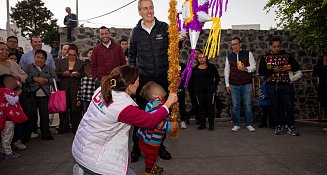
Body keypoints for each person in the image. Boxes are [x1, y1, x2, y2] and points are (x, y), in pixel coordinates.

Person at [71, 65, 178, 175]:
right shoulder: (123, 107)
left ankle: (84, 171)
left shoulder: (102, 89)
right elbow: (150, 121)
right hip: (97, 160)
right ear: (130, 86)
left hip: (81, 148)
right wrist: (168, 103)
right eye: (137, 80)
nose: (139, 83)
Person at [128, 0, 172, 161]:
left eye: (151, 7)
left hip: (162, 78)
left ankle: (160, 146)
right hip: (144, 80)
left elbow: (173, 48)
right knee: (140, 114)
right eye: (145, 8)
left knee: (162, 114)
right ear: (140, 11)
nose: (149, 11)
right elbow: (132, 55)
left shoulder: (164, 27)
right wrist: (133, 77)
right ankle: (136, 148)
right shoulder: (136, 32)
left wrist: (179, 40)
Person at [258, 37, 300, 136]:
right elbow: (261, 72)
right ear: (270, 46)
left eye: (278, 46)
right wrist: (273, 70)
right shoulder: (265, 57)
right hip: (272, 85)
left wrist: (288, 67)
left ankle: (290, 126)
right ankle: (278, 125)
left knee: (289, 105)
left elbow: (297, 66)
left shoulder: (287, 55)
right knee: (275, 106)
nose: (276, 48)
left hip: (286, 84)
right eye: (274, 46)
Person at [137, 81, 177, 174]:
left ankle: (151, 166)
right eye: (159, 88)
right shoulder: (156, 105)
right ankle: (149, 170)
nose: (161, 88)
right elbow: (157, 123)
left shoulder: (154, 102)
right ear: (155, 95)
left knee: (152, 155)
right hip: (150, 139)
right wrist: (169, 126)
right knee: (151, 156)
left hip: (147, 137)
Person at [22, 49, 58, 140]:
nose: (39, 59)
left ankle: (45, 133)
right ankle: (29, 133)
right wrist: (34, 79)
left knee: (44, 115)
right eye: (38, 57)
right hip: (31, 94)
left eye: (42, 58)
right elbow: (24, 78)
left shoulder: (49, 69)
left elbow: (56, 79)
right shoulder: (28, 67)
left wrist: (46, 80)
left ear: (45, 59)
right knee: (31, 115)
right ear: (34, 58)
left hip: (44, 95)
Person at [224, 37, 256, 132]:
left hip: (246, 83)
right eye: (232, 44)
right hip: (234, 84)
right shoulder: (229, 56)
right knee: (235, 105)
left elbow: (254, 66)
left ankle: (249, 124)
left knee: (247, 104)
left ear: (240, 44)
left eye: (236, 44)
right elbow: (227, 71)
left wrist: (246, 69)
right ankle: (236, 124)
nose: (234, 46)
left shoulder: (248, 53)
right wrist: (227, 84)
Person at [56, 46, 84, 134]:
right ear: (67, 54)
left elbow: (84, 74)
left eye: (74, 55)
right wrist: (63, 74)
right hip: (63, 87)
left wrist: (78, 74)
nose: (72, 56)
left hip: (76, 87)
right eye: (70, 54)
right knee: (63, 108)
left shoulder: (81, 63)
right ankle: (63, 127)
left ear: (77, 55)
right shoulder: (61, 62)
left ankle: (76, 128)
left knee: (76, 108)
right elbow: (56, 73)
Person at [190, 54, 220, 130]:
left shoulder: (211, 67)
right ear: (198, 59)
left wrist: (214, 86)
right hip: (199, 91)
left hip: (210, 90)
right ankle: (202, 124)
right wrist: (195, 88)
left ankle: (211, 125)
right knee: (201, 107)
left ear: (206, 58)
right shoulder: (195, 69)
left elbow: (217, 77)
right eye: (199, 58)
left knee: (210, 107)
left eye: (203, 57)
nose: (201, 59)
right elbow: (191, 80)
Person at [0, 74, 23, 159]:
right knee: (8, 135)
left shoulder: (2, 90)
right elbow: (12, 102)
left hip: (3, 116)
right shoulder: (6, 91)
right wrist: (17, 95)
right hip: (8, 117)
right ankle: (8, 153)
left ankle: (3, 151)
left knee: (4, 135)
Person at [313, 54, 327, 132]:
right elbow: (316, 71)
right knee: (325, 104)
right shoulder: (320, 63)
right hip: (324, 88)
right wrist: (324, 65)